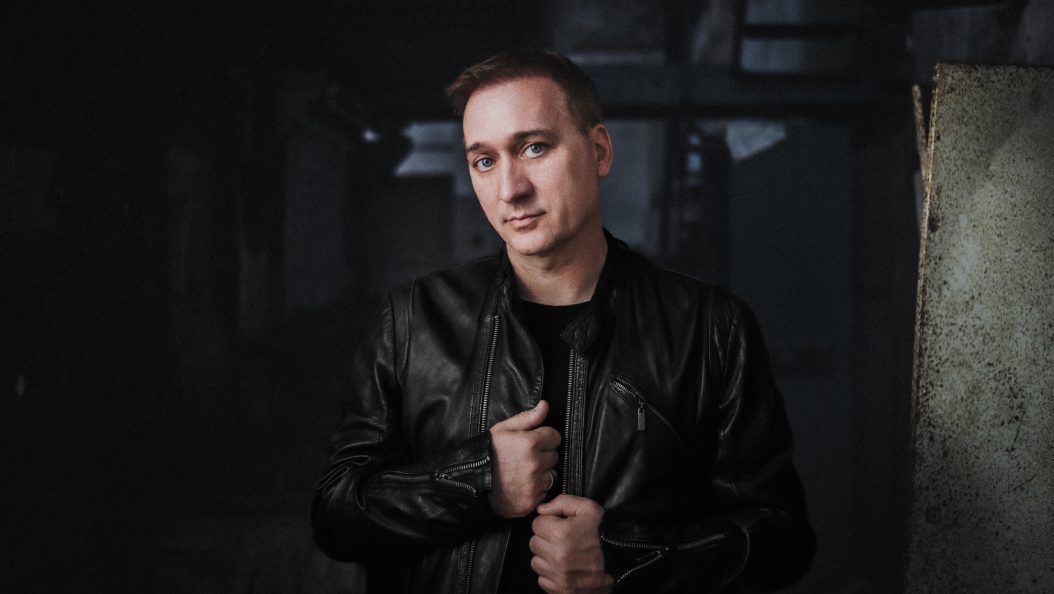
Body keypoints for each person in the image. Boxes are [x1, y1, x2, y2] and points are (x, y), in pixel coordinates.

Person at [312, 49, 814, 593]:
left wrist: (625, 564)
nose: (510, 189)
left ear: (599, 151)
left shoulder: (710, 327)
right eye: (485, 161)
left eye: (534, 148)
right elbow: (337, 515)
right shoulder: (412, 319)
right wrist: (479, 478)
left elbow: (780, 537)